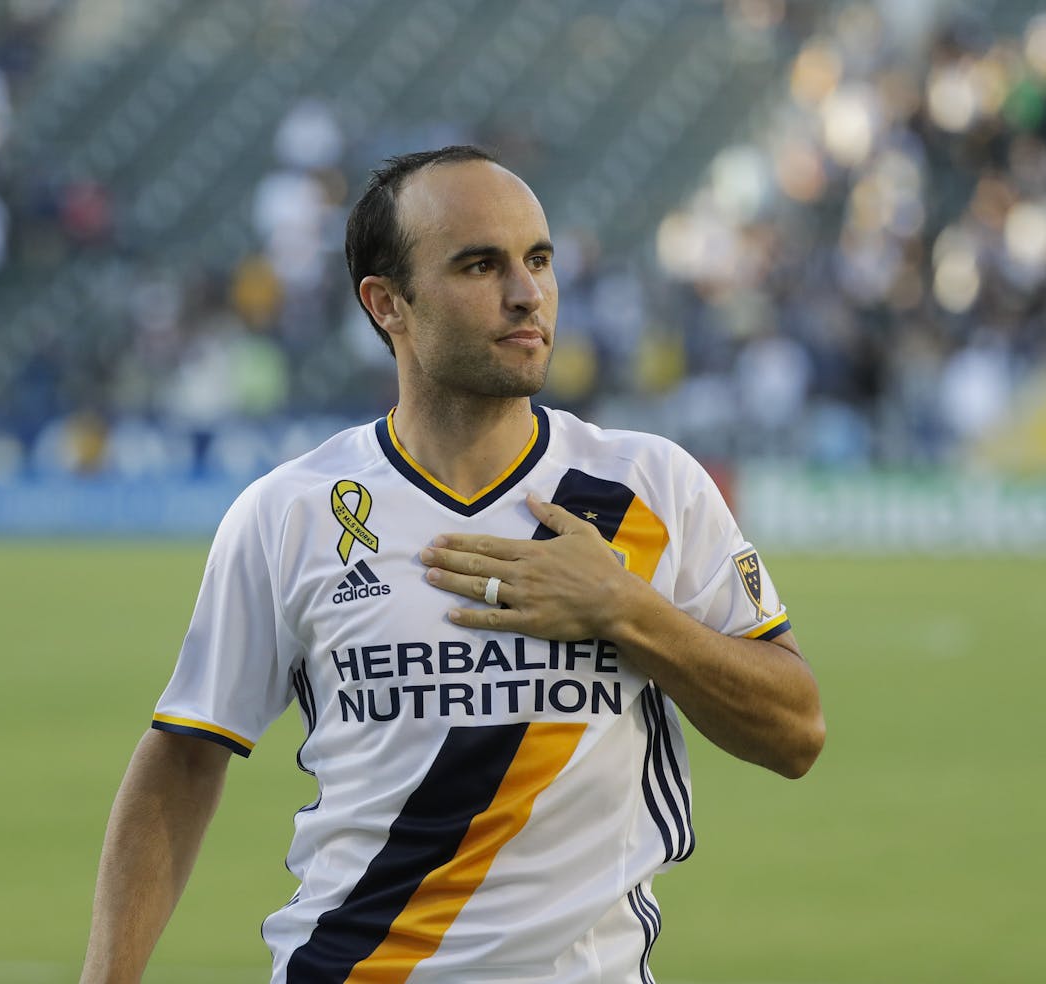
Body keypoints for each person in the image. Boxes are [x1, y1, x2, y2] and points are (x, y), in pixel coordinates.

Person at [80, 145, 825, 983]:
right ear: (386, 302)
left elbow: (796, 731)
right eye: (480, 265)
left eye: (538, 260)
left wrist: (625, 610)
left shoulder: (649, 487)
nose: (526, 292)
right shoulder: (290, 512)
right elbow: (183, 755)